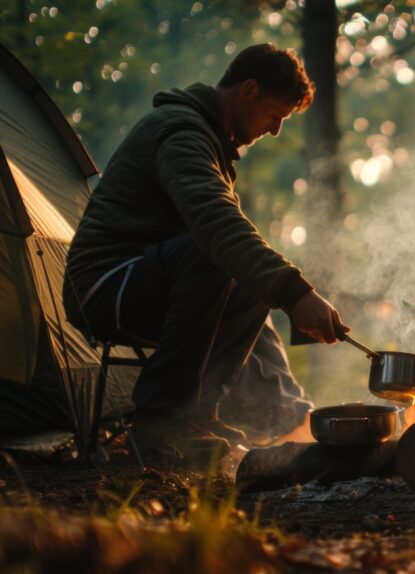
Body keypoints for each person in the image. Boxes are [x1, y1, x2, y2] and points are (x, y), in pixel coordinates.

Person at [63, 44, 345, 461]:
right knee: (217, 252)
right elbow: (215, 223)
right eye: (277, 116)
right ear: (249, 90)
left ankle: (196, 413)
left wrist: (281, 294)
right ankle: (161, 420)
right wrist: (296, 293)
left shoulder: (208, 141)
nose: (275, 130)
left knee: (248, 277)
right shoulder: (180, 132)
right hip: (104, 288)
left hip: (149, 280)